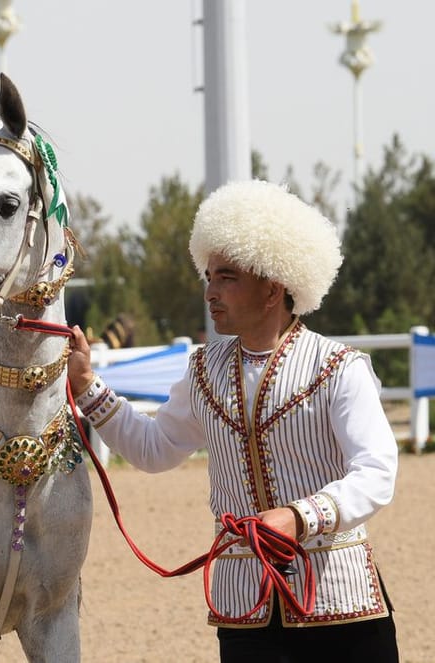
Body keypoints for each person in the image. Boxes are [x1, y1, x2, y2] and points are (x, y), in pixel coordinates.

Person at [67, 180, 399, 663]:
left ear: (272, 288)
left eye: (227, 277)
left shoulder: (338, 367)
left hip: (340, 603)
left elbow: (377, 473)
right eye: (209, 275)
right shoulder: (202, 369)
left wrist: (299, 516)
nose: (210, 291)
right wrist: (87, 389)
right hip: (245, 610)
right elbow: (156, 449)